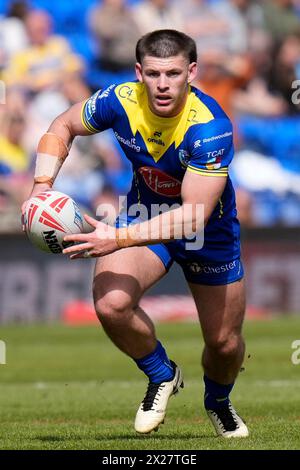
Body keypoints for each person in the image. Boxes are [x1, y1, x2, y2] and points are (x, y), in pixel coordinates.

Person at [23, 30, 249, 438]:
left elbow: (194, 216)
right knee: (111, 304)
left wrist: (118, 238)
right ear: (138, 72)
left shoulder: (211, 126)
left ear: (191, 72)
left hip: (207, 229)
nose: (163, 84)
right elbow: (63, 124)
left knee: (224, 344)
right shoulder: (118, 100)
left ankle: (218, 402)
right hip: (145, 214)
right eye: (154, 73)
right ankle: (162, 374)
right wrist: (41, 186)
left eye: (174, 73)